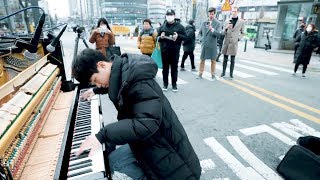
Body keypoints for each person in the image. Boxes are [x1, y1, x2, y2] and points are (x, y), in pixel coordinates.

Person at [72, 48, 201, 180]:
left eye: (95, 80)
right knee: (113, 158)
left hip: (169, 153)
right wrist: (96, 90)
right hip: (152, 142)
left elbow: (146, 123)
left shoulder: (139, 82)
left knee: (115, 161)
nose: (98, 85)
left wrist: (102, 135)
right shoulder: (124, 72)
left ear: (102, 65)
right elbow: (120, 85)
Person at [157, 9, 188, 92]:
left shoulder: (180, 26)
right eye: (168, 15)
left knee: (174, 68)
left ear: (174, 16)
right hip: (164, 51)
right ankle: (165, 84)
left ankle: (174, 84)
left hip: (175, 51)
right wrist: (161, 37)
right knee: (165, 68)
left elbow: (186, 37)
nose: (169, 17)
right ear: (166, 16)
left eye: (171, 15)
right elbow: (157, 38)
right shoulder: (162, 27)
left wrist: (178, 36)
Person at [220, 6, 245, 80]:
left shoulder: (241, 22)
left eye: (235, 11)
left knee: (232, 60)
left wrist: (238, 39)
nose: (233, 12)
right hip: (227, 42)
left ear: (238, 12)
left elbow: (243, 32)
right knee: (225, 59)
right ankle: (223, 72)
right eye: (232, 11)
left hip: (234, 43)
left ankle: (231, 74)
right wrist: (226, 27)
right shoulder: (227, 21)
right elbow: (223, 32)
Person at [197, 7, 221, 80]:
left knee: (213, 60)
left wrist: (212, 29)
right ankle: (200, 73)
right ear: (208, 14)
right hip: (204, 44)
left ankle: (213, 74)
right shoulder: (204, 22)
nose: (211, 15)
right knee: (202, 60)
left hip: (212, 44)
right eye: (210, 14)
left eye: (212, 14)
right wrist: (201, 40)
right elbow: (199, 33)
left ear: (215, 14)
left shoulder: (218, 23)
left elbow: (218, 35)